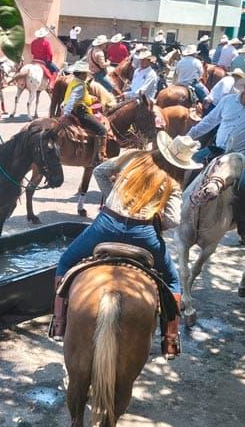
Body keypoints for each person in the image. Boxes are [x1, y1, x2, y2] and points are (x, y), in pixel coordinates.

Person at [49, 131, 203, 359]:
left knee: (65, 261)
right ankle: (170, 339)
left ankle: (59, 322)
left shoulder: (134, 161)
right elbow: (173, 219)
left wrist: (114, 199)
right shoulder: (173, 182)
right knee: (172, 280)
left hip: (105, 226)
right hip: (144, 234)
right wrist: (153, 220)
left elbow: (100, 171)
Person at [188, 71, 245, 163]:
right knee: (193, 161)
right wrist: (190, 135)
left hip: (242, 155)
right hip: (218, 149)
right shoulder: (228, 100)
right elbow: (209, 121)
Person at [62, 61, 108, 161]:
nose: (87, 75)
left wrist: (93, 99)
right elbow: (73, 99)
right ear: (82, 73)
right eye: (86, 73)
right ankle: (101, 155)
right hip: (81, 113)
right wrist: (65, 114)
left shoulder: (75, 82)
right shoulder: (80, 86)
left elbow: (81, 98)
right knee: (102, 130)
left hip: (75, 110)